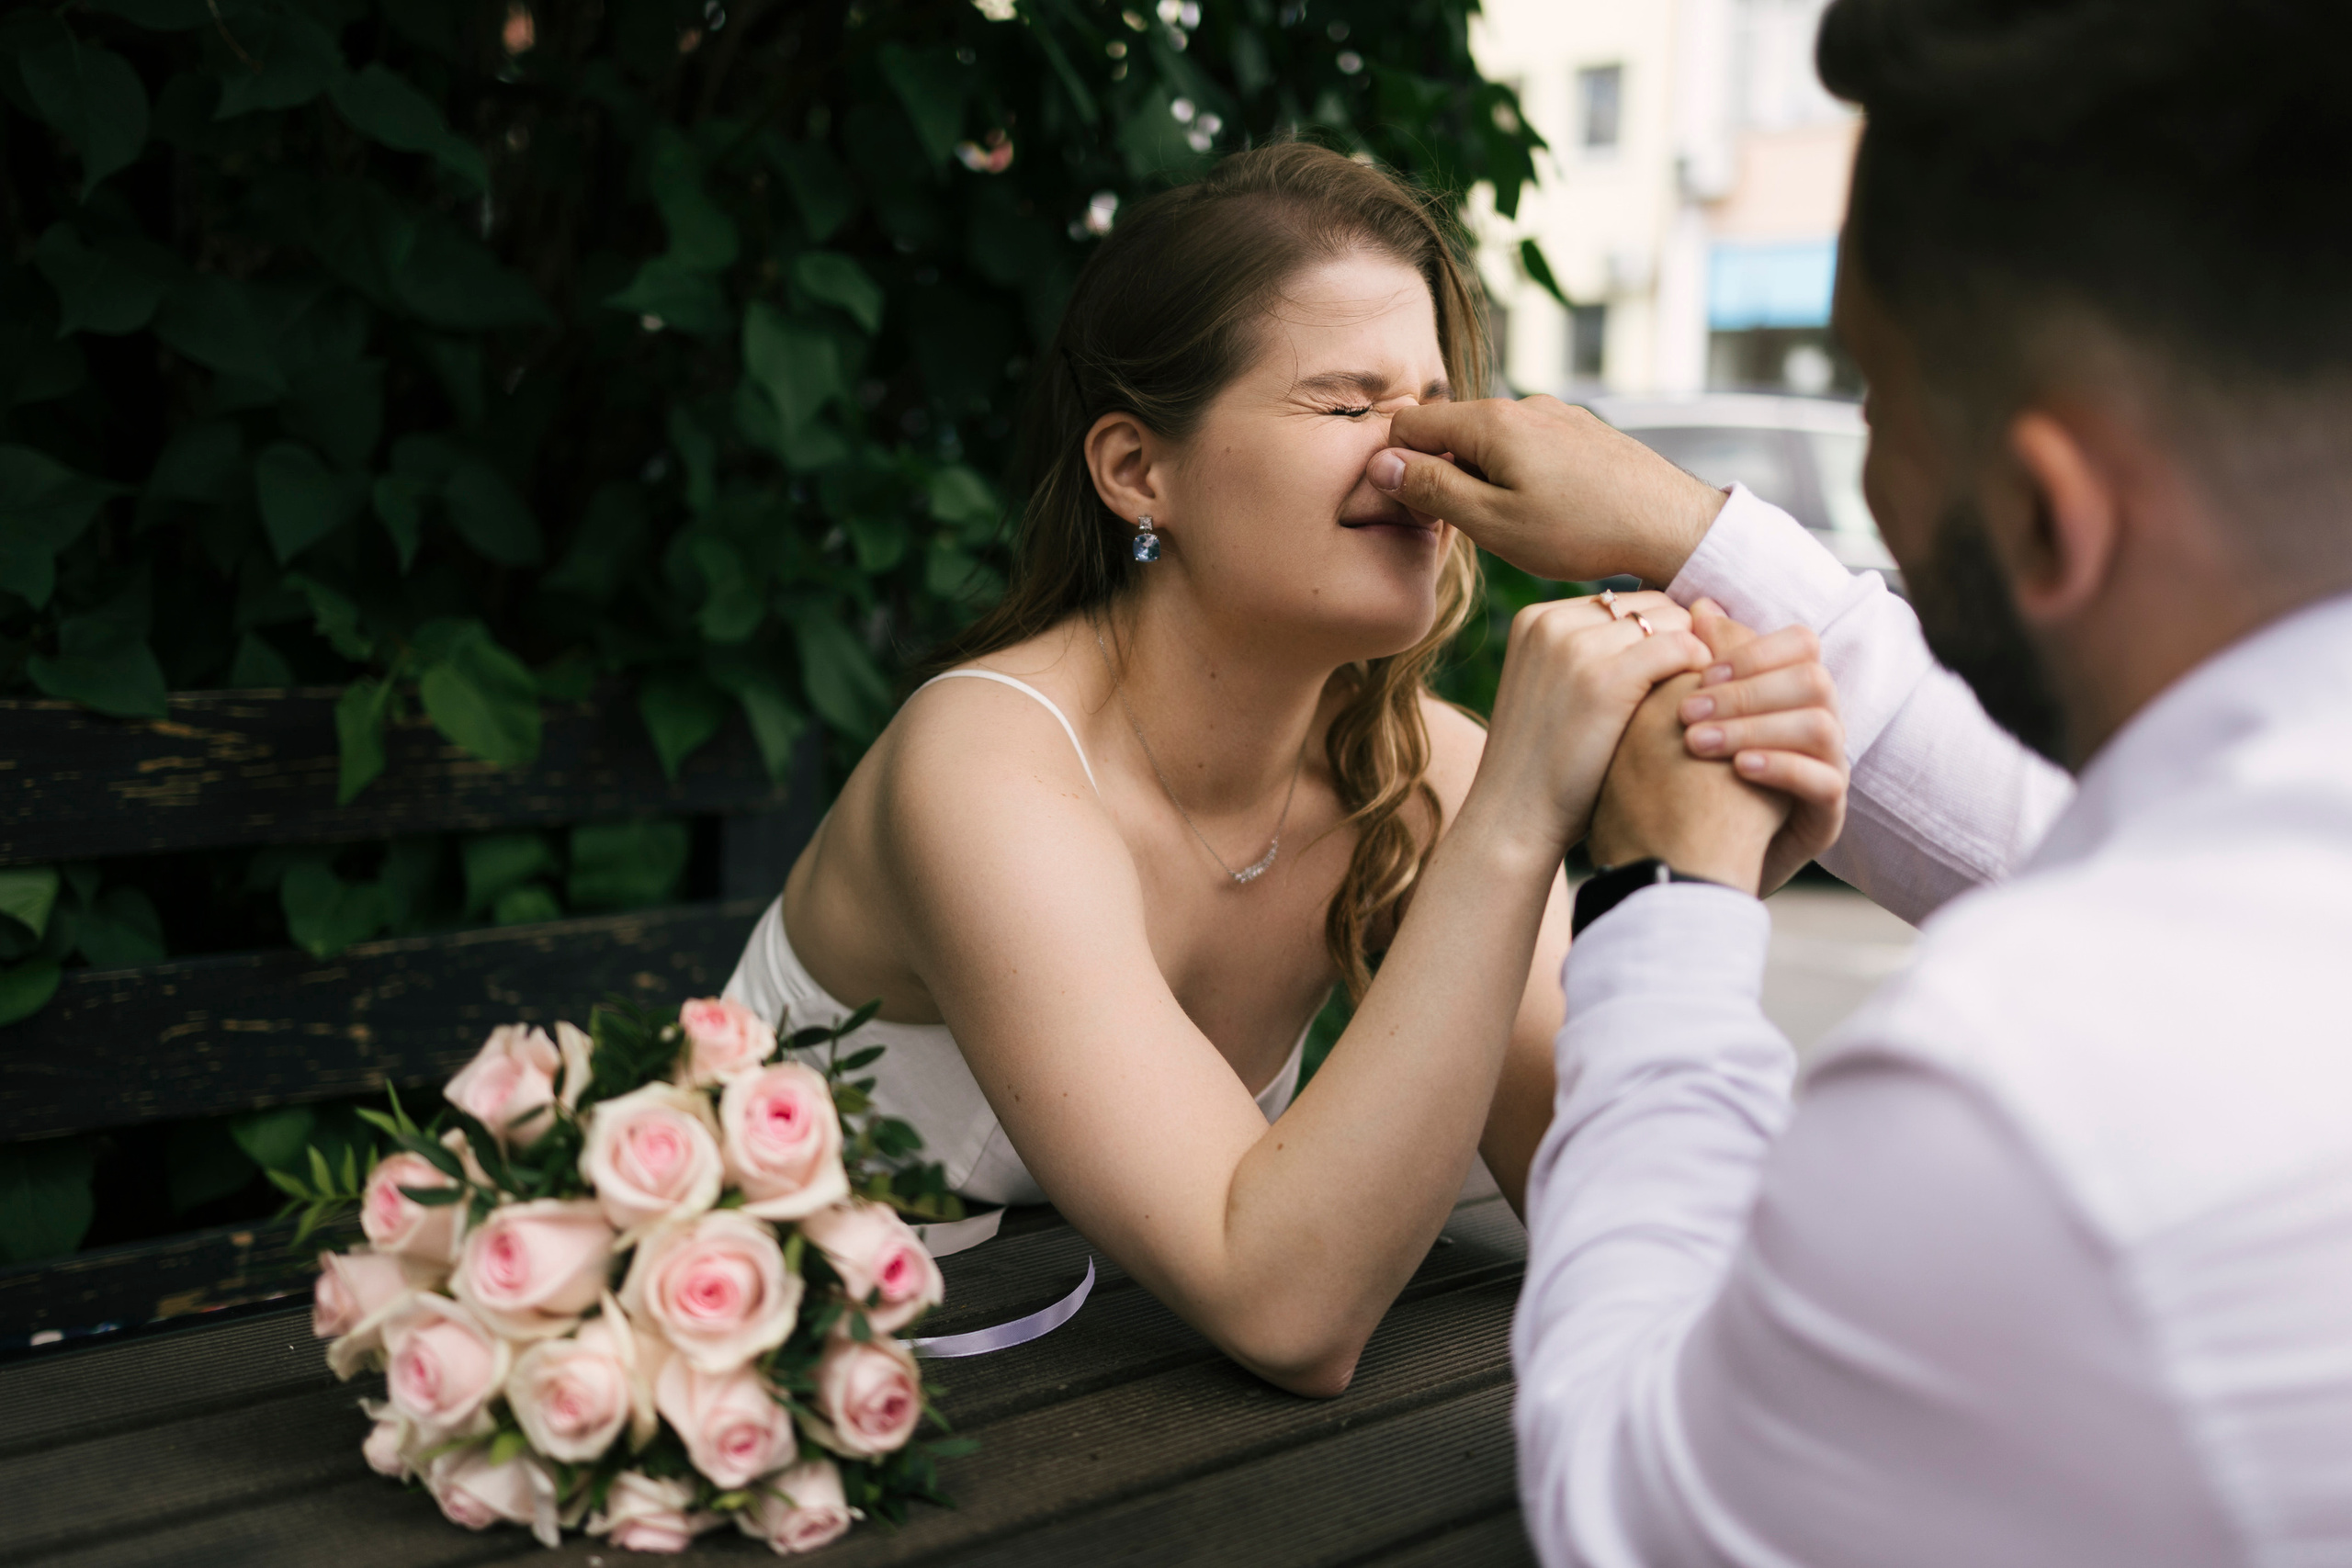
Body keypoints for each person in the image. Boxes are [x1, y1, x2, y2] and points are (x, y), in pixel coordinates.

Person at [1366, 0, 2352, 1561]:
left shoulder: (2029, 1103)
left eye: (1877, 403)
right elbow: (2076, 846)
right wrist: (1687, 527)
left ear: (2045, 511)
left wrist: (1665, 905)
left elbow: (1633, 1501)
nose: (1868, 468)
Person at [721, 143, 1849, 1395]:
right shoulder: (985, 766)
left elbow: (1617, 1204)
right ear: (1139, 472)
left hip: (1109, 1448)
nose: (1420, 449)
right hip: (767, 1416)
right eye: (1347, 401)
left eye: (1430, 397)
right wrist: (1521, 817)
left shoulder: (1419, 773)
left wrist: (1701, 875)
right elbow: (1287, 1311)